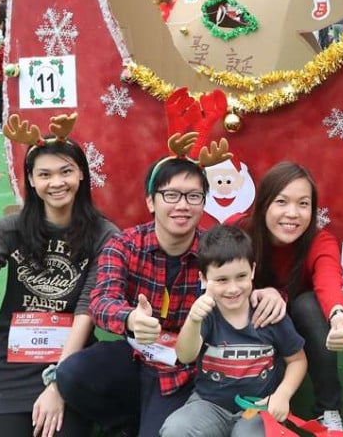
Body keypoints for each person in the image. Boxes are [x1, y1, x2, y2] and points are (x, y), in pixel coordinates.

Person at [56, 149, 285, 437]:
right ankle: (123, 422)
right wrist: (130, 318)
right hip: (134, 355)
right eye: (172, 195)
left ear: (204, 203)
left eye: (193, 196)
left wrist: (273, 294)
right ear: (151, 201)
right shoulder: (124, 245)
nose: (183, 206)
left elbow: (249, 285)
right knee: (72, 374)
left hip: (183, 370)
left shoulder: (213, 249)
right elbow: (101, 300)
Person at [0, 114, 118, 437]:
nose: (57, 182)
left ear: (81, 174)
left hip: (71, 359)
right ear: (32, 181)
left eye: (66, 171)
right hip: (12, 363)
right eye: (45, 174)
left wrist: (58, 382)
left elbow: (86, 311)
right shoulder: (11, 227)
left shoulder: (104, 235)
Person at [227, 162, 343, 433]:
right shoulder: (239, 231)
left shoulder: (320, 241)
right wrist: (255, 291)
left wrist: (338, 315)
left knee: (309, 305)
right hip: (251, 329)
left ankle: (328, 409)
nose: (292, 214)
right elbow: (214, 276)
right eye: (281, 202)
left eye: (303, 204)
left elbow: (329, 278)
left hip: (295, 333)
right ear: (263, 204)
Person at [159, 224, 307, 437]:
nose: (233, 288)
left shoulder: (268, 313)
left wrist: (283, 394)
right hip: (209, 404)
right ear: (203, 278)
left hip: (258, 408)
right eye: (221, 280)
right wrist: (193, 320)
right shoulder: (205, 312)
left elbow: (297, 360)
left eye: (241, 276)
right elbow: (185, 354)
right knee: (176, 429)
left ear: (253, 271)